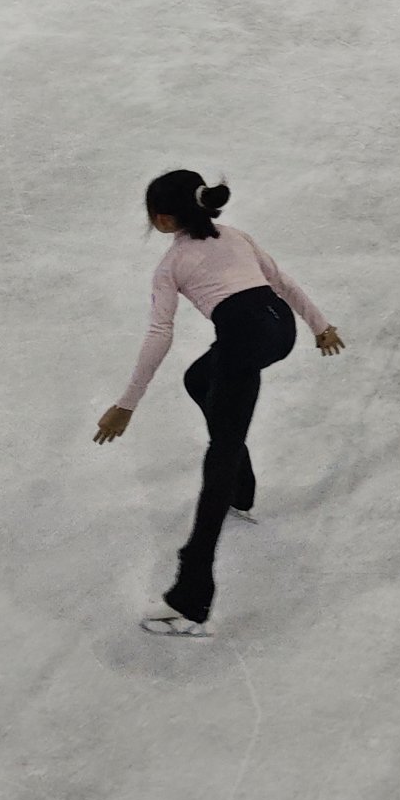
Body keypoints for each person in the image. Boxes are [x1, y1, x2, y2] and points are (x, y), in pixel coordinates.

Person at [94, 170, 343, 636]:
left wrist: (126, 404)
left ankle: (190, 598)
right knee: (198, 379)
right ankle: (242, 488)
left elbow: (158, 335)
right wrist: (319, 325)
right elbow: (281, 281)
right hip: (279, 327)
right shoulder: (234, 234)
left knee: (221, 452)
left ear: (164, 219)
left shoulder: (171, 266)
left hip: (245, 339)